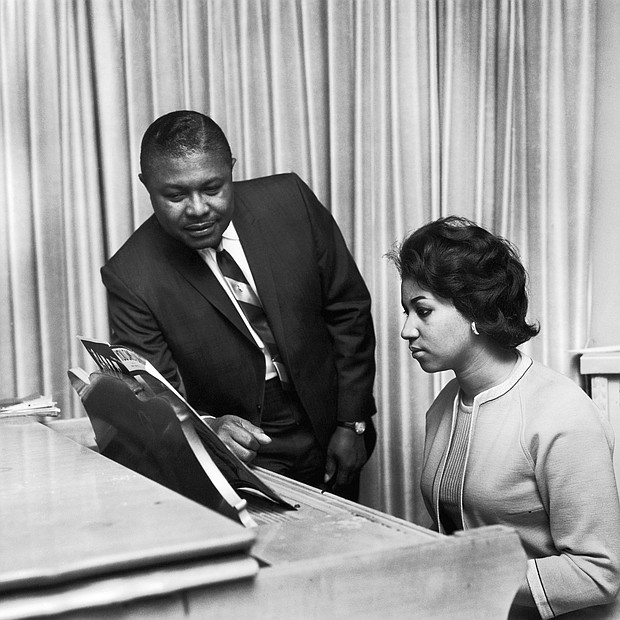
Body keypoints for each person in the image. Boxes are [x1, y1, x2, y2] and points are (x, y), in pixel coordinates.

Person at [101, 110, 377, 500]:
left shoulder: (290, 201)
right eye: (175, 195)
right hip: (243, 452)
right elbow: (155, 390)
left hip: (333, 420)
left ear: (230, 169)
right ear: (147, 185)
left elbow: (347, 309)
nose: (197, 209)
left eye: (212, 188)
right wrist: (209, 428)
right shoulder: (130, 275)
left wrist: (353, 422)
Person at [388, 215, 620, 618]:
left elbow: (599, 571)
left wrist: (458, 576)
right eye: (406, 311)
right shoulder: (443, 405)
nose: (407, 330)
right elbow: (458, 534)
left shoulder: (562, 415)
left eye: (422, 311)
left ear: (475, 309)